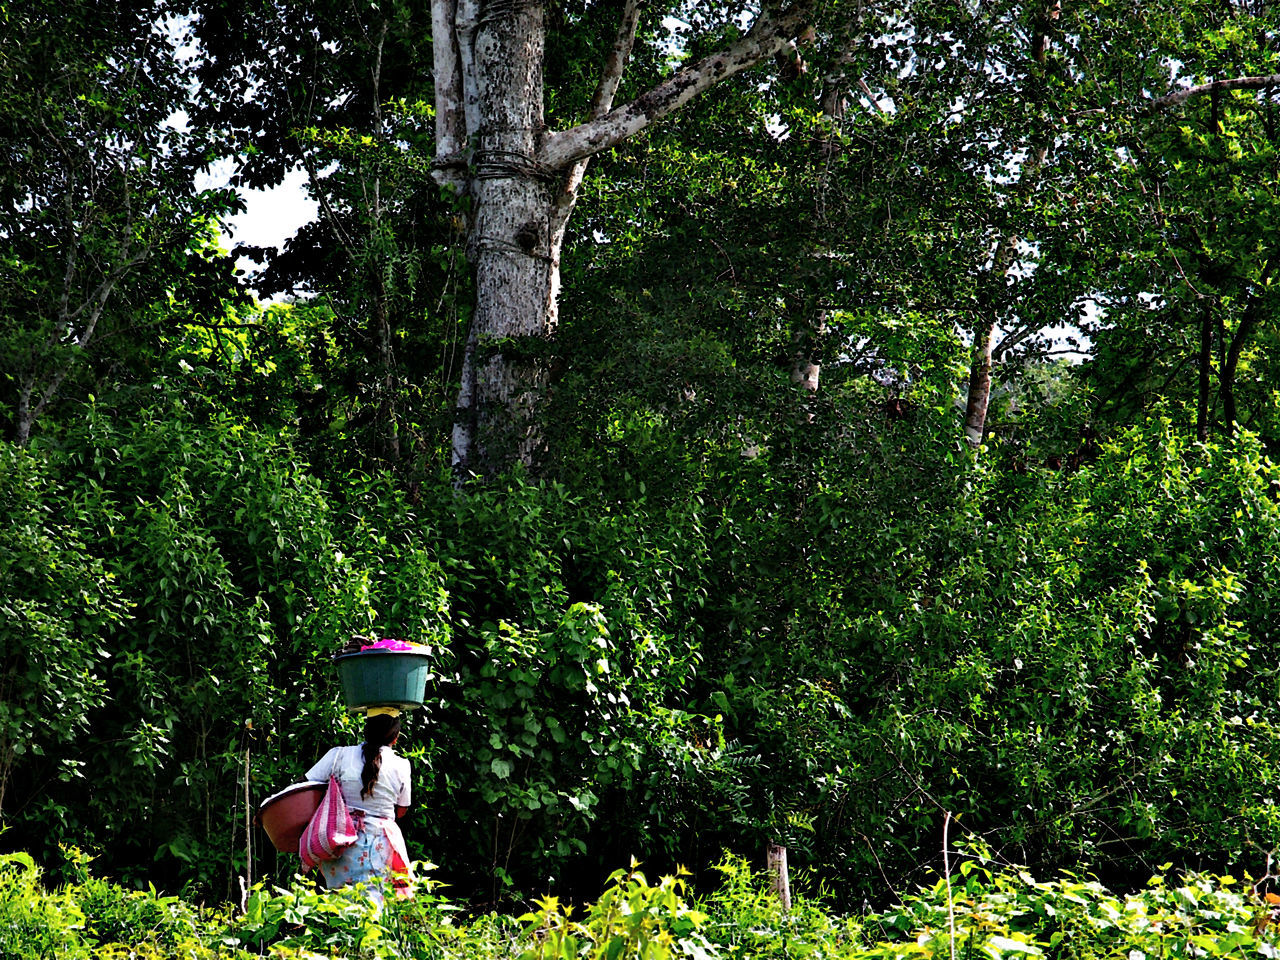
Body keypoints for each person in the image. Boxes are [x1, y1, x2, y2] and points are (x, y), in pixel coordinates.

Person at [305, 709, 412, 901]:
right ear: (395, 738)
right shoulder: (401, 765)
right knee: (375, 899)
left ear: (366, 731)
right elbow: (402, 809)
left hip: (339, 838)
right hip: (380, 842)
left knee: (340, 899)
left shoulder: (338, 755)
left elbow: (304, 788)